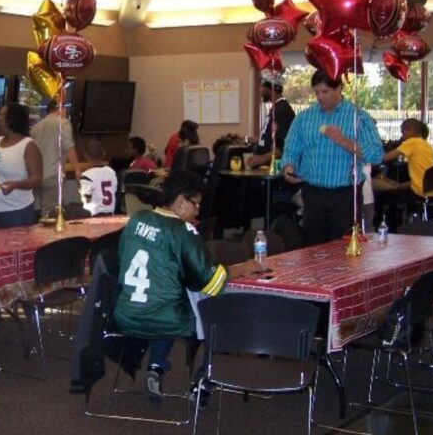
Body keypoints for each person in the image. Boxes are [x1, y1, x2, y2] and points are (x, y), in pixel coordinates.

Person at [113, 170, 261, 399]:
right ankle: (203, 381)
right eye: (196, 205)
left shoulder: (136, 218)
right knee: (218, 314)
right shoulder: (183, 231)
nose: (198, 211)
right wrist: (246, 267)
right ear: (181, 202)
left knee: (167, 299)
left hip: (125, 313)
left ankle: (156, 366)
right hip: (162, 317)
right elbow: (212, 281)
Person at [281, 70, 383, 246]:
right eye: (316, 92)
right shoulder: (304, 118)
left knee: (343, 250)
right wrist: (288, 167)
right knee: (313, 248)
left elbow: (376, 155)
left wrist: (343, 141)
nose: (320, 97)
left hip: (345, 196)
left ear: (339, 89)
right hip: (313, 194)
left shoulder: (358, 117)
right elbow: (291, 150)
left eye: (325, 92)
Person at [0, 104, 42, 228]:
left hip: (15, 212)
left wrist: (15, 184)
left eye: (1, 115)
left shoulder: (28, 145)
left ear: (11, 121)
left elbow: (37, 179)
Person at [373, 119, 433, 226]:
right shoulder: (427, 145)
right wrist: (400, 185)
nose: (402, 136)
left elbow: (384, 158)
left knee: (378, 196)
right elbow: (422, 175)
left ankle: (380, 228)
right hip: (431, 191)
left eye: (403, 132)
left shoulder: (412, 142)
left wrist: (368, 156)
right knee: (394, 190)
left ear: (411, 130)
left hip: (418, 192)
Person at [30, 100, 82, 218]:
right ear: (60, 109)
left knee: (35, 210)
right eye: (65, 110)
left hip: (36, 176)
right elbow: (68, 146)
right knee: (51, 214)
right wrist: (77, 169)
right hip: (54, 175)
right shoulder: (63, 123)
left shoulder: (36, 127)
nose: (65, 113)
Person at [245, 70, 295, 169]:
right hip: (264, 167)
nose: (259, 90)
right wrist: (245, 139)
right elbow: (268, 139)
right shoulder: (275, 108)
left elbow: (283, 146)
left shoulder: (282, 110)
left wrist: (262, 158)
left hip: (274, 170)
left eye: (261, 86)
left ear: (270, 88)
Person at [79, 140, 118, 216]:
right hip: (111, 214)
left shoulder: (87, 175)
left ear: (86, 156)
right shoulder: (112, 172)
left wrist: (80, 190)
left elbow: (86, 200)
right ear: (103, 154)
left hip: (93, 215)